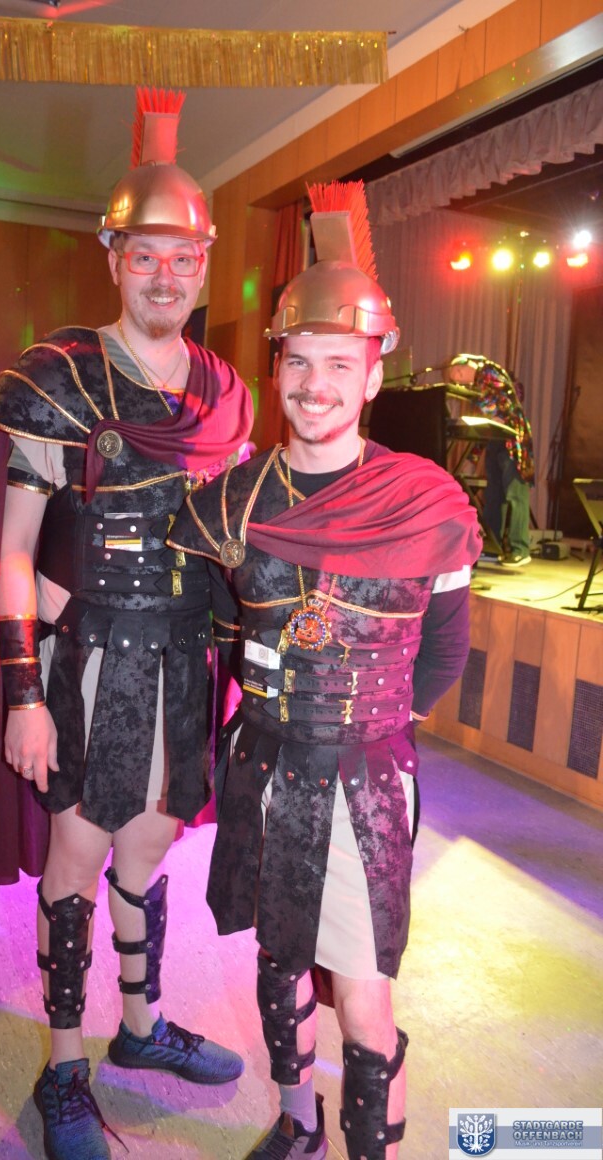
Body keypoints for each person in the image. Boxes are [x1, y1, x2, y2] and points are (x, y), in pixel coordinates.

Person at [169, 181, 481, 1160]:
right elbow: (225, 630)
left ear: (374, 374)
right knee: (278, 963)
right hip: (264, 765)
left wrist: (373, 726)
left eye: (339, 364)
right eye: (298, 361)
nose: (314, 385)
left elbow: (446, 647)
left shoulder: (428, 504)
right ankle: (298, 1121)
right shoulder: (230, 502)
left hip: (366, 774)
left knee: (366, 991)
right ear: (278, 368)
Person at [0, 87, 253, 1160]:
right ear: (113, 257)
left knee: (149, 849)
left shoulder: (225, 392)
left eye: (183, 258)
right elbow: (13, 550)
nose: (165, 276)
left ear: (205, 263)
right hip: (89, 659)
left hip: (187, 660)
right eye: (146, 257)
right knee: (76, 865)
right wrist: (24, 695)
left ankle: (140, 1027)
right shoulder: (59, 378)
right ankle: (63, 1067)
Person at [446, 355, 534, 567]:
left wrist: (494, 415)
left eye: (458, 373)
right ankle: (492, 548)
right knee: (494, 495)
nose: (459, 380)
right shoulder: (478, 388)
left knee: (515, 494)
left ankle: (520, 549)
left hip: (513, 440)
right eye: (456, 379)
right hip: (496, 440)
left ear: (468, 364)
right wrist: (472, 458)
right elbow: (485, 426)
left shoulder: (488, 371)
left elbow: (506, 403)